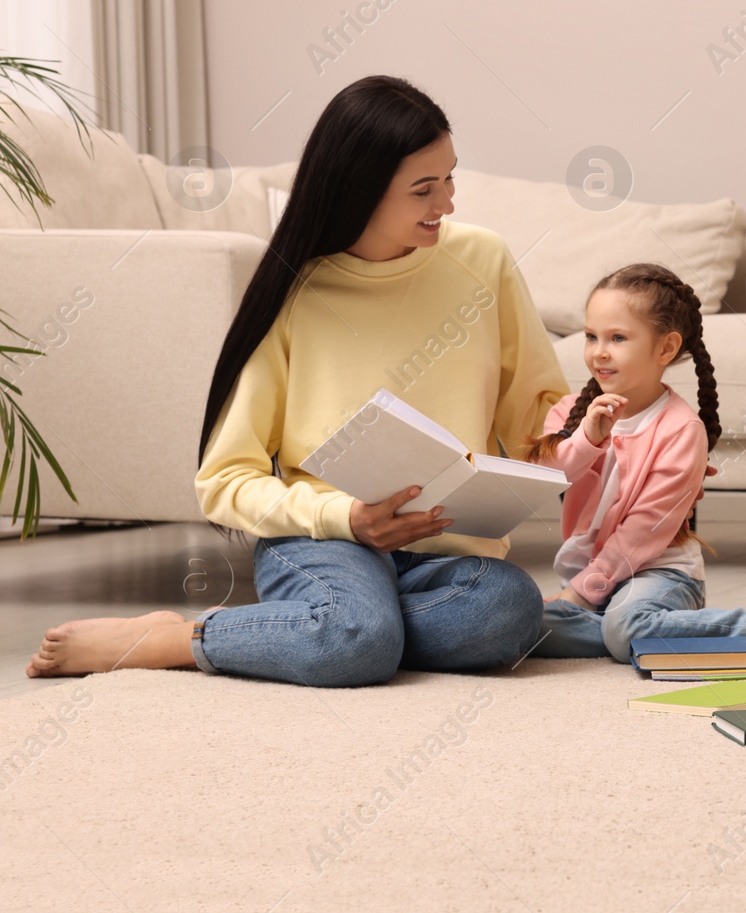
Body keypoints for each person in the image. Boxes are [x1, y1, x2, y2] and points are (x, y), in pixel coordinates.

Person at [26, 75, 564, 686]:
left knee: (508, 612)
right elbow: (224, 481)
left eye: (450, 179)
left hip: (448, 548)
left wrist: (582, 432)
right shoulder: (296, 290)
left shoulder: (482, 260)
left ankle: (336, 631)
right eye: (423, 190)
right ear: (360, 191)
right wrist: (348, 518)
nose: (446, 204)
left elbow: (537, 416)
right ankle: (175, 638)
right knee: (357, 638)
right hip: (323, 539)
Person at [530, 263, 746, 661]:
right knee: (522, 623)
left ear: (666, 348)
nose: (599, 351)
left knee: (626, 626)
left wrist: (578, 595)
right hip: (595, 578)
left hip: (660, 573)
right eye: (591, 336)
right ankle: (654, 634)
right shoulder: (571, 412)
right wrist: (588, 438)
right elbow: (544, 479)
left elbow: (642, 532)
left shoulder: (683, 430)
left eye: (617, 337)